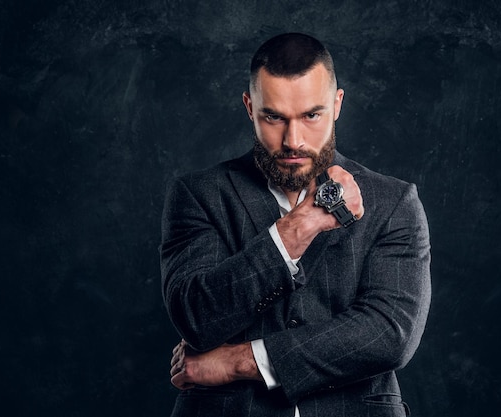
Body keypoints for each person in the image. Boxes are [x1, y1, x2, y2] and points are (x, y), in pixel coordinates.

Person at [160, 32, 431, 417]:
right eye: (273, 117)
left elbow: (389, 334)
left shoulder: (394, 201)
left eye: (311, 115)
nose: (293, 140)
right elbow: (198, 317)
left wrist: (241, 360)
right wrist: (304, 222)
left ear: (337, 105)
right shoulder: (198, 194)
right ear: (249, 106)